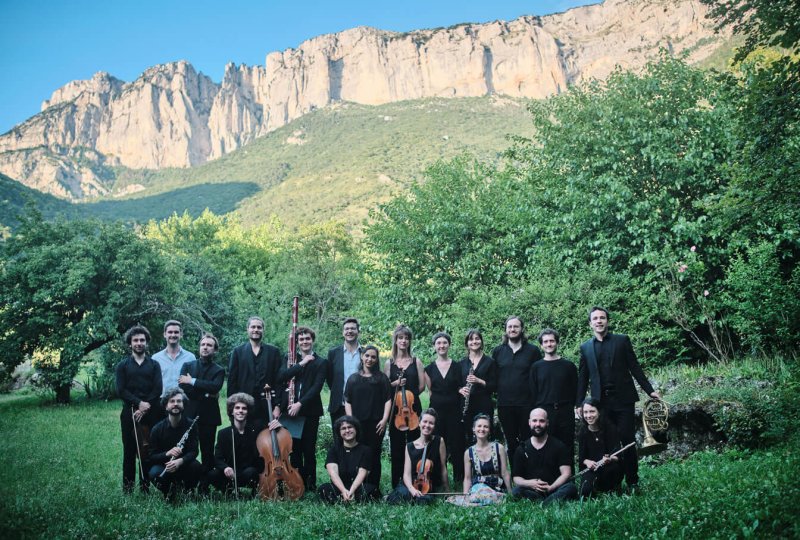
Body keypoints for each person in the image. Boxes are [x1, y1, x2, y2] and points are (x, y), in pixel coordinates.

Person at [575, 306, 661, 491]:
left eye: (602, 318)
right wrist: (579, 402)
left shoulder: (622, 341)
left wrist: (650, 390)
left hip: (623, 400)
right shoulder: (585, 347)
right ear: (590, 324)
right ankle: (611, 481)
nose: (599, 321)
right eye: (595, 319)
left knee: (627, 440)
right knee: (606, 442)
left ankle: (632, 481)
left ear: (607, 321)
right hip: (601, 404)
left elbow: (635, 367)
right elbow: (583, 377)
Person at [277, 326, 327, 491]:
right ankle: (296, 483)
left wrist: (300, 404)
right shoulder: (290, 359)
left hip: (309, 412)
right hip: (290, 412)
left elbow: (316, 387)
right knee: (294, 449)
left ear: (312, 340)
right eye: (301, 339)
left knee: (309, 449)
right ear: (297, 343)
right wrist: (301, 363)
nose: (305, 342)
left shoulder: (321, 362)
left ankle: (310, 484)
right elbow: (282, 377)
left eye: (308, 339)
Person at [115, 324, 162, 494]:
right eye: (135, 340)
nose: (139, 343)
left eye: (142, 340)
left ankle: (145, 487)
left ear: (146, 343)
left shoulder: (154, 365)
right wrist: (138, 403)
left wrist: (145, 406)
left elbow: (158, 389)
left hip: (151, 413)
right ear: (130, 343)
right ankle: (127, 489)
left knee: (147, 451)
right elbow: (121, 390)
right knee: (129, 451)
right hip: (129, 413)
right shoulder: (123, 365)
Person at [491, 316, 542, 459]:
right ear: (506, 330)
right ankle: (516, 477)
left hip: (527, 404)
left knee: (528, 440)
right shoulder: (498, 351)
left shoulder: (533, 351)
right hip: (505, 405)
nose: (512, 329)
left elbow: (538, 377)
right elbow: (493, 378)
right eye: (510, 327)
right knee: (511, 442)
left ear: (522, 329)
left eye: (516, 327)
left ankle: (530, 475)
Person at [384, 325, 426, 488]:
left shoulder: (417, 362)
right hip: (396, 411)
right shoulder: (389, 363)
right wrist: (395, 384)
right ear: (395, 340)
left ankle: (417, 481)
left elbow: (422, 386)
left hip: (414, 409)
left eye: (406, 338)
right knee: (397, 447)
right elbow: (384, 387)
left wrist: (410, 397)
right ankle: (397, 483)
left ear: (410, 341)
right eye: (400, 338)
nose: (403, 341)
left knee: (416, 445)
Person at [344, 345, 392, 488]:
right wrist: (350, 421)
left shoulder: (381, 378)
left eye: (373, 357)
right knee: (358, 454)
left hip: (376, 424)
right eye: (367, 356)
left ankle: (373, 487)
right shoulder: (353, 379)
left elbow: (388, 400)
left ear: (377, 359)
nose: (369, 359)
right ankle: (358, 485)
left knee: (374, 454)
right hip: (357, 424)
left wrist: (384, 420)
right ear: (362, 357)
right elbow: (347, 400)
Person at [178, 333, 225, 474]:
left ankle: (205, 485)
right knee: (185, 449)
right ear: (199, 347)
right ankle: (187, 484)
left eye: (209, 345)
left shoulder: (219, 370)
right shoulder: (187, 365)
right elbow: (183, 387)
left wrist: (192, 381)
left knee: (207, 451)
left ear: (215, 350)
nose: (205, 347)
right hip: (189, 414)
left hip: (209, 417)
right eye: (203, 344)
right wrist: (206, 394)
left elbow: (215, 387)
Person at [530, 328, 578, 462]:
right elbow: (533, 392)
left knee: (567, 445)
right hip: (544, 412)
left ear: (557, 343)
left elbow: (576, 389)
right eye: (545, 342)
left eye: (552, 341)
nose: (549, 344)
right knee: (546, 446)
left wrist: (572, 406)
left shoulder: (569, 366)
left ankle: (568, 480)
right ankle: (548, 479)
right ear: (541, 345)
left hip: (565, 411)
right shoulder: (536, 367)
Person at [512, 408, 577, 505]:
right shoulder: (521, 449)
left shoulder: (559, 446)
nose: (538, 424)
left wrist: (551, 487)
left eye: (541, 421)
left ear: (547, 423)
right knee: (516, 491)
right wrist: (531, 484)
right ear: (529, 422)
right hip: (532, 491)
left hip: (555, 489)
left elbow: (566, 473)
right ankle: (549, 502)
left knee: (571, 488)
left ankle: (544, 503)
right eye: (534, 420)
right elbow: (516, 478)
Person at [148, 388, 203, 501]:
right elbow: (152, 456)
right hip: (165, 465)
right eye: (172, 401)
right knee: (154, 473)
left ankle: (188, 490)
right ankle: (168, 492)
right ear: (166, 405)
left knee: (196, 466)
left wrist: (179, 461)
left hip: (184, 464)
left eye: (179, 401)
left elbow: (194, 451)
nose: (175, 404)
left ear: (184, 404)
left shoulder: (191, 425)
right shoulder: (157, 429)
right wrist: (167, 454)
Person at [423, 332, 465, 484]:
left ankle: (460, 479)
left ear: (449, 345)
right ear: (434, 346)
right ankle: (438, 480)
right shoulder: (428, 369)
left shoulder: (458, 366)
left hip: (455, 411)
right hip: (436, 413)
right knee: (437, 445)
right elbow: (431, 392)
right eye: (438, 343)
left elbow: (461, 387)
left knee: (457, 445)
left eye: (444, 343)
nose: (441, 346)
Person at [387, 408, 449, 504]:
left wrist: (446, 489)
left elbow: (443, 467)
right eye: (425, 422)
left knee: (425, 500)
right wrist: (412, 490)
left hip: (429, 483)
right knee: (400, 495)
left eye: (431, 423)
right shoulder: (409, 446)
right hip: (412, 482)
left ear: (434, 426)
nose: (427, 425)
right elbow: (406, 474)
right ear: (419, 423)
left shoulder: (439, 441)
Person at [227, 316, 283, 423]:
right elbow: (231, 382)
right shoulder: (238, 352)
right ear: (247, 329)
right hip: (244, 405)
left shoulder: (274, 352)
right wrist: (232, 406)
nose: (256, 330)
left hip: (267, 405)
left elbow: (278, 381)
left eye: (259, 327)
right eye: (253, 327)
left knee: (266, 438)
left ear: (263, 330)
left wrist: (277, 405)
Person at [207, 392, 265, 496]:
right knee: (213, 475)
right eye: (237, 408)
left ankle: (251, 492)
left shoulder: (254, 432)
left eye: (244, 408)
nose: (240, 411)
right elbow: (217, 458)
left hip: (247, 473)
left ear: (248, 412)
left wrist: (277, 425)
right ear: (232, 412)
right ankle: (228, 490)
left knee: (251, 472)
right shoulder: (223, 433)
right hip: (230, 473)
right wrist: (225, 468)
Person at [318, 416, 380, 503]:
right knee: (323, 489)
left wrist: (351, 491)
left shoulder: (366, 450)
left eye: (350, 427)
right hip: (339, 487)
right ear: (339, 432)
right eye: (343, 428)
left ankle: (345, 499)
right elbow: (333, 474)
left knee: (371, 490)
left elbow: (362, 473)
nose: (347, 431)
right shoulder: (334, 450)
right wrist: (343, 490)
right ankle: (347, 499)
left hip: (358, 487)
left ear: (356, 429)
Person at [459, 414, 512, 505]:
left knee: (497, 496)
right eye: (479, 426)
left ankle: (483, 501)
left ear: (489, 430)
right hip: (478, 487)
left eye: (485, 426)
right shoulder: (468, 453)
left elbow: (505, 473)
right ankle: (484, 501)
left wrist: (511, 493)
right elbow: (467, 478)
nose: (482, 429)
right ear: (473, 429)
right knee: (479, 495)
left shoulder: (499, 448)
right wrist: (465, 497)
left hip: (496, 486)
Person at [577, 398, 624, 499]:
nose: (588, 416)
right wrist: (588, 462)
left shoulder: (611, 428)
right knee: (585, 493)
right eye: (585, 412)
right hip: (591, 469)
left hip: (609, 467)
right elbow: (582, 458)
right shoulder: (583, 432)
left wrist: (610, 458)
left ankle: (613, 487)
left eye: (592, 411)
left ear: (599, 412)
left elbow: (618, 456)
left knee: (613, 470)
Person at [458, 329, 497, 444]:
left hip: (484, 404)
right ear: (466, 343)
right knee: (469, 437)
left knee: (485, 437)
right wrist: (460, 390)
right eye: (471, 339)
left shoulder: (490, 362)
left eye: (477, 339)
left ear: (481, 341)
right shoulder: (461, 363)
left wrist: (479, 381)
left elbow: (495, 386)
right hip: (466, 407)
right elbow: (456, 384)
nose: (474, 342)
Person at [326, 318, 362, 426]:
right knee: (339, 441)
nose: (349, 331)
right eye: (346, 329)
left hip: (360, 405)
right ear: (343, 332)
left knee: (359, 439)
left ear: (358, 332)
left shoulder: (365, 353)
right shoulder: (333, 353)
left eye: (353, 328)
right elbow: (330, 378)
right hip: (338, 406)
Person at [152, 320, 196, 401]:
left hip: (183, 401)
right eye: (170, 332)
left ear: (181, 334)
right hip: (162, 402)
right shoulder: (155, 358)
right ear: (165, 334)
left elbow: (194, 382)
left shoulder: (190, 357)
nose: (173, 335)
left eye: (176, 332)